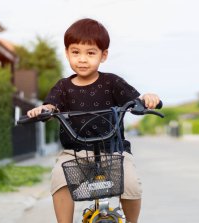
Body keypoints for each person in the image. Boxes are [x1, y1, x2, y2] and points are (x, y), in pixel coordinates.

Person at [27, 18, 160, 223]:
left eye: (90, 53)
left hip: (113, 152)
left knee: (132, 184)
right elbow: (51, 105)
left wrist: (147, 99)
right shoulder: (63, 87)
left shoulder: (112, 82)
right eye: (75, 52)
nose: (82, 59)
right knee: (59, 180)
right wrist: (44, 109)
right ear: (67, 53)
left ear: (103, 55)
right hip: (75, 154)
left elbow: (135, 101)